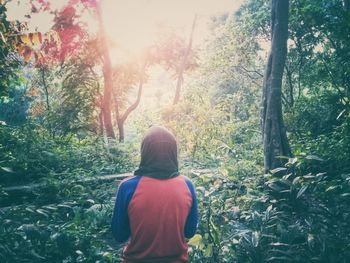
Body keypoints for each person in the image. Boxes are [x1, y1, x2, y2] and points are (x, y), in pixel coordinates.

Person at [111, 126, 198, 263]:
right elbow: (190, 232)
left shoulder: (127, 187)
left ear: (145, 152)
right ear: (173, 152)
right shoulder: (187, 185)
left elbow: (119, 235)